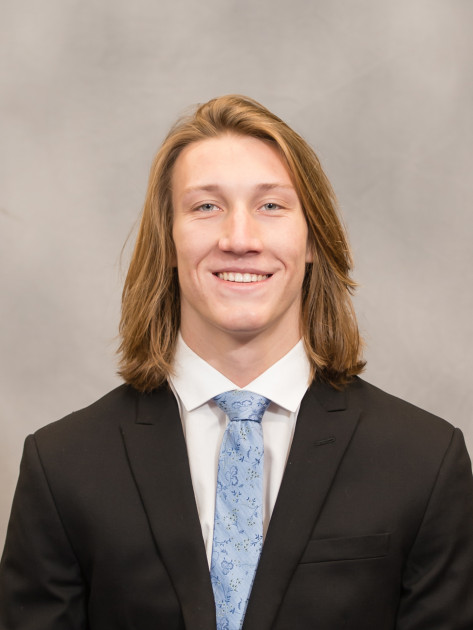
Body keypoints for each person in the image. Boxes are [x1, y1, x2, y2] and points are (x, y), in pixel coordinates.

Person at [0, 94, 472, 630]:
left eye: (271, 206)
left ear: (312, 238)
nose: (240, 239)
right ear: (168, 240)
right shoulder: (62, 467)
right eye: (206, 206)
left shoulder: (425, 462)